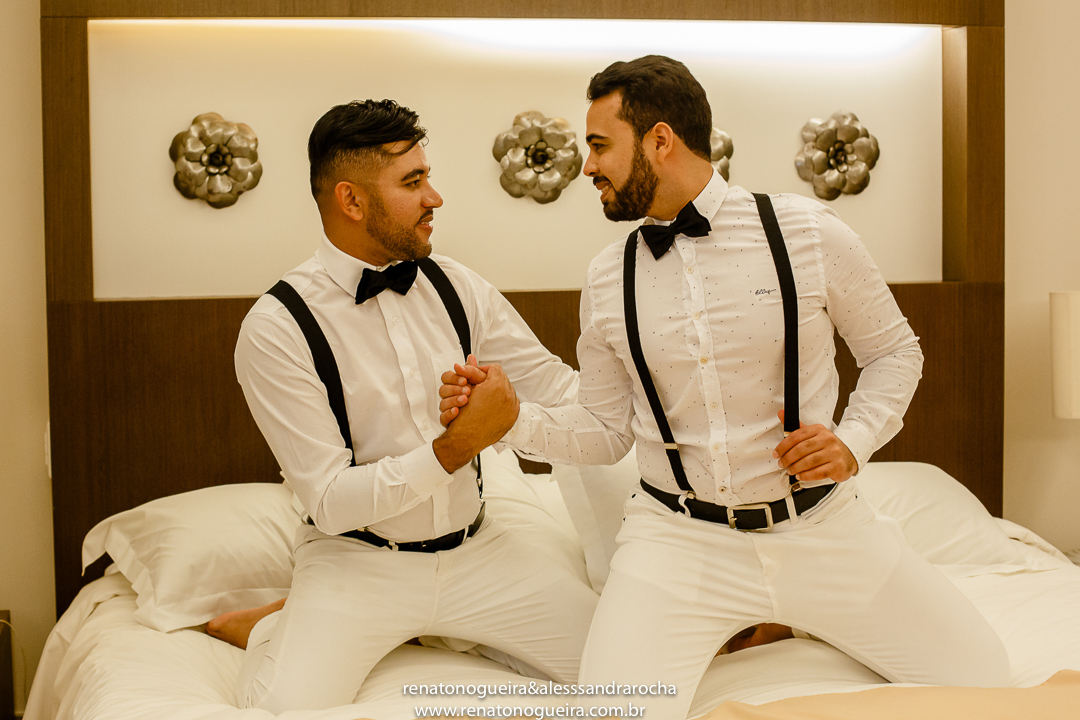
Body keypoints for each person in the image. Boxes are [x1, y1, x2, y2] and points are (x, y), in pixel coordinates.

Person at [441, 55, 1010, 719]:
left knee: (984, 679)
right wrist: (509, 420)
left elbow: (893, 351)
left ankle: (801, 620)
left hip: (821, 527)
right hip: (679, 543)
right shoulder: (605, 278)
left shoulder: (809, 233)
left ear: (659, 140)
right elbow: (605, 432)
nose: (589, 166)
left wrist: (854, 441)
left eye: (599, 145)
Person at [229, 98, 597, 712]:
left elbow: (559, 389)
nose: (435, 198)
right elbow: (329, 500)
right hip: (358, 561)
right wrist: (458, 445)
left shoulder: (458, 286)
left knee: (627, 678)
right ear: (351, 201)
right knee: (281, 712)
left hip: (480, 552)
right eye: (413, 182)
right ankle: (273, 626)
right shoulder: (277, 328)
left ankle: (452, 627)